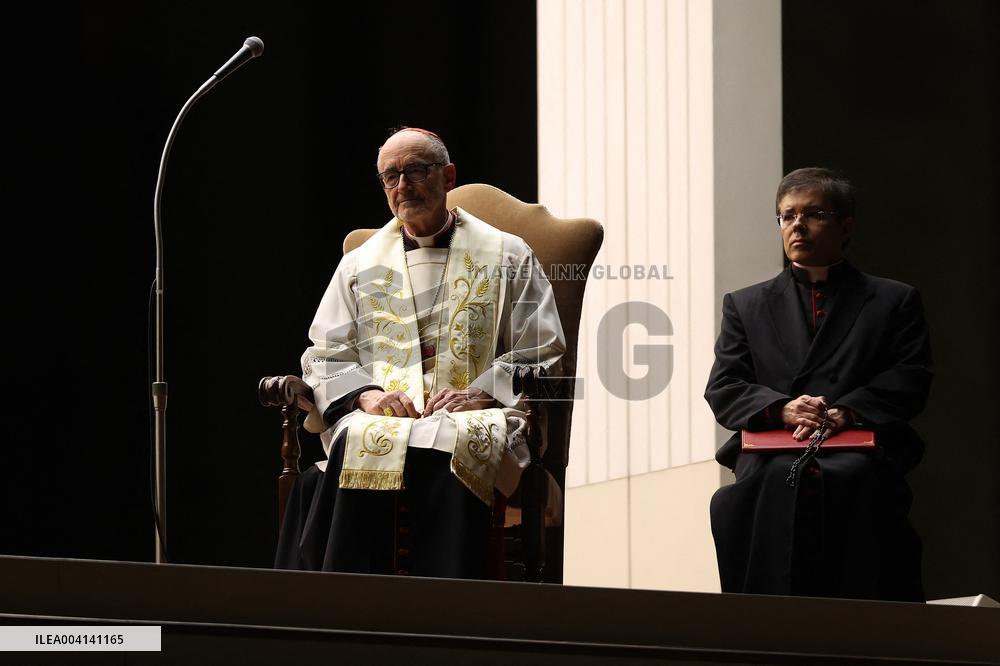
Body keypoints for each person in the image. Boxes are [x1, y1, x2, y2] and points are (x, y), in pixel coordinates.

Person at [275, 128, 565, 579]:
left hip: (474, 413)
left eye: (415, 171)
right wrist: (365, 395)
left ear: (448, 176)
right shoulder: (359, 264)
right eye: (390, 176)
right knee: (358, 438)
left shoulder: (508, 254)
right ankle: (350, 606)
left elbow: (542, 350)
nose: (402, 186)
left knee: (461, 438)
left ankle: (448, 607)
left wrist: (484, 393)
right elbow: (325, 353)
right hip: (384, 413)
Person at [704, 167, 932, 600]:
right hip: (773, 449)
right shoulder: (745, 304)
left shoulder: (893, 299)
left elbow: (911, 376)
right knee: (752, 496)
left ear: (846, 226)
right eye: (787, 216)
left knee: (853, 484)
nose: (797, 226)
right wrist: (781, 408)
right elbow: (725, 384)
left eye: (813, 214)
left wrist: (847, 411)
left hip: (859, 447)